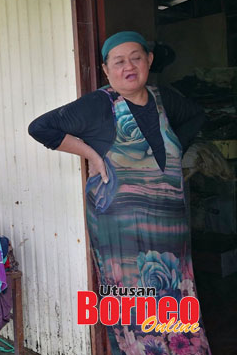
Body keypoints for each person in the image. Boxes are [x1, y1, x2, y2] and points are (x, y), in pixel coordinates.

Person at [28, 31, 211, 354]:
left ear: (149, 61)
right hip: (120, 232)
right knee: (133, 300)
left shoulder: (163, 98)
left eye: (136, 58)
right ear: (106, 69)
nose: (129, 66)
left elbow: (197, 116)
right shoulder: (99, 104)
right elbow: (41, 127)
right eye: (119, 61)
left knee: (175, 292)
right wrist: (92, 154)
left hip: (170, 228)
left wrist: (173, 152)